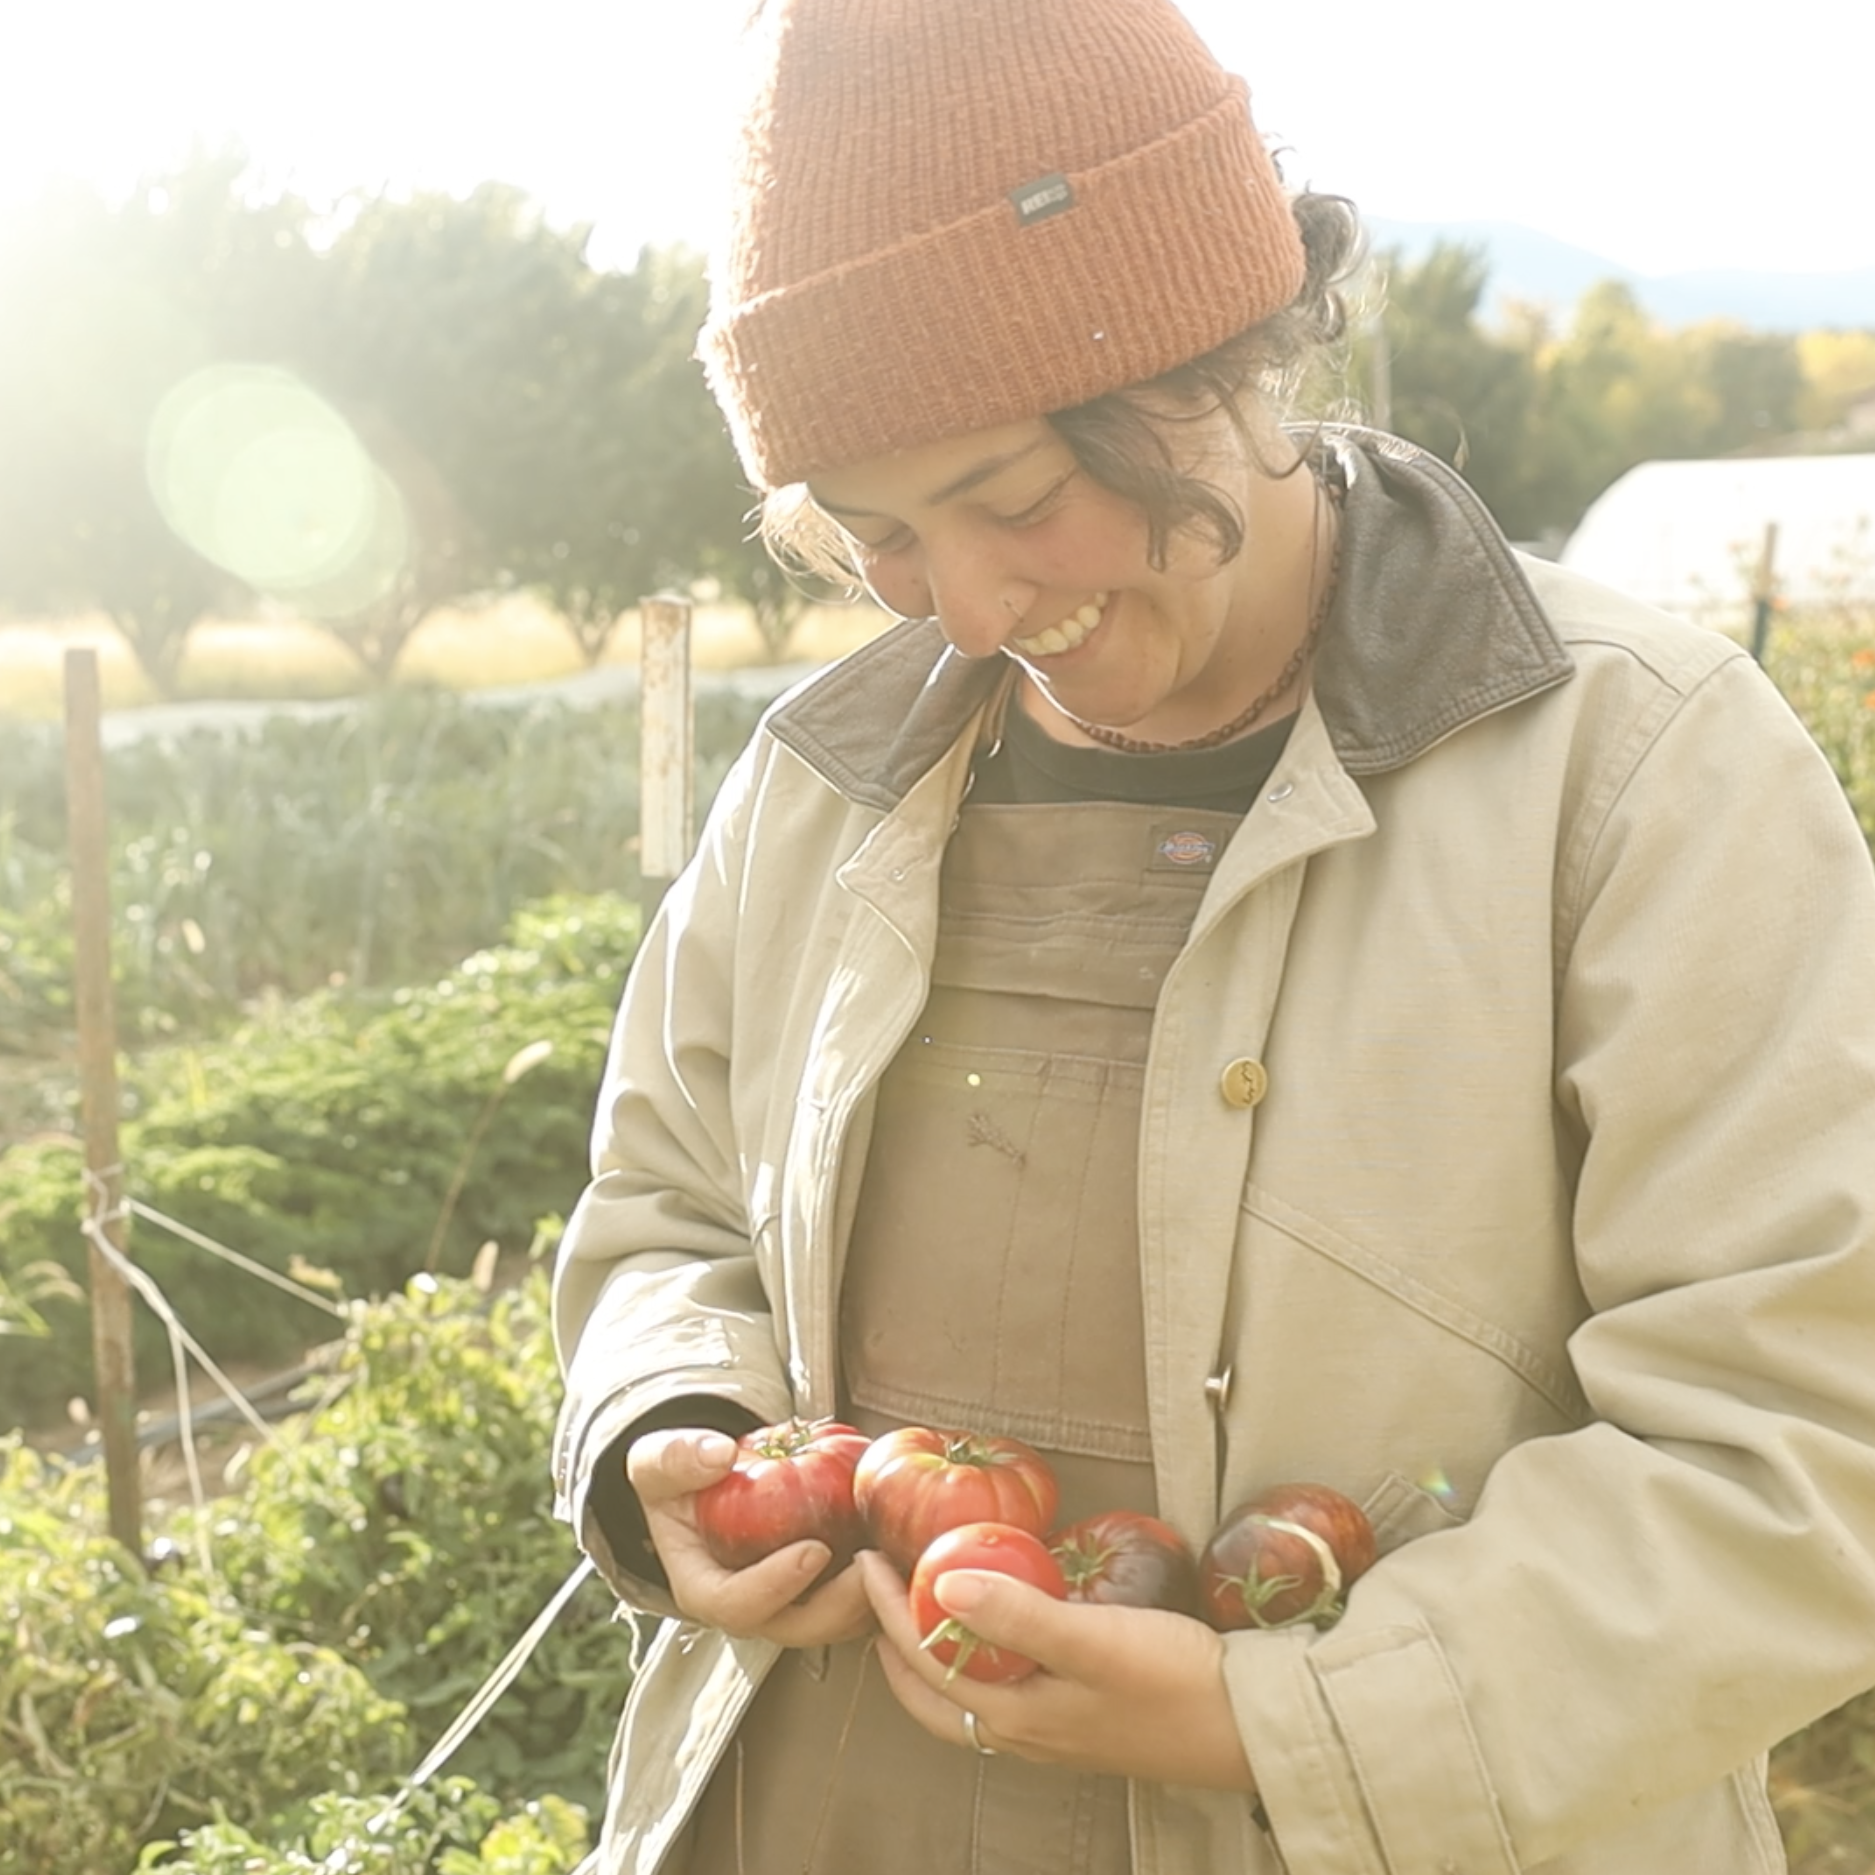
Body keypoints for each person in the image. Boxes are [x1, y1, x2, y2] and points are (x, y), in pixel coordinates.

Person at [550, 0, 1875, 1869]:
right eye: (877, 535)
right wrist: (668, 1418)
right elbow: (667, 1202)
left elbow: (1800, 1444)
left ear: (1222, 363)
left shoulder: (1629, 764)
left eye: (1017, 497)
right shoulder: (823, 783)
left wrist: (1287, 1718)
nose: (973, 603)